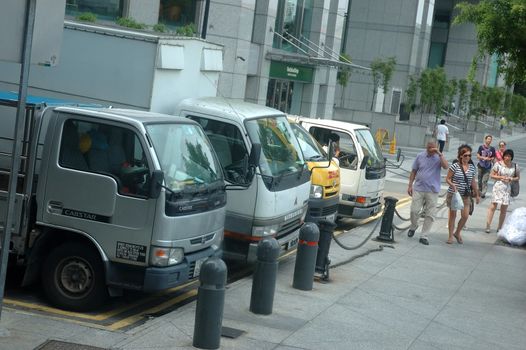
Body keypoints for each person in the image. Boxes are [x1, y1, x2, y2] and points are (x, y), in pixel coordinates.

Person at [407, 139, 449, 245]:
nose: (430, 149)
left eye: (432, 147)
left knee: (430, 214)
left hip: (432, 190)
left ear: (436, 147)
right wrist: (410, 185)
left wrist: (439, 153)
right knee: (414, 211)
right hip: (419, 188)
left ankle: (424, 235)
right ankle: (414, 225)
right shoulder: (420, 156)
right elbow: (413, 171)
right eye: (428, 147)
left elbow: (446, 166)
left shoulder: (438, 157)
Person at [445, 144, 480, 244]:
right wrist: (452, 184)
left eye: (469, 155)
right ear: (461, 156)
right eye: (465, 155)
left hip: (465, 195)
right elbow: (447, 179)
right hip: (454, 194)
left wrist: (477, 194)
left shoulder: (472, 168)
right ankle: (450, 236)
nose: (468, 157)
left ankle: (457, 232)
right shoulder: (455, 166)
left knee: (465, 216)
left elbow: (473, 182)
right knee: (453, 216)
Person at [486, 149, 520, 233]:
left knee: (504, 209)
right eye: (506, 156)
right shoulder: (498, 164)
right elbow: (492, 175)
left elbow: (518, 177)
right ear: (503, 156)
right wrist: (501, 177)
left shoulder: (515, 166)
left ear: (512, 157)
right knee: (493, 206)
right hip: (498, 187)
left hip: (507, 188)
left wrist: (511, 178)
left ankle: (500, 227)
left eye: (509, 156)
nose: (507, 158)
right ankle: (488, 226)